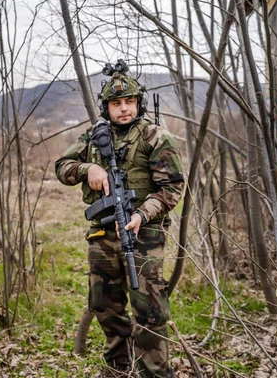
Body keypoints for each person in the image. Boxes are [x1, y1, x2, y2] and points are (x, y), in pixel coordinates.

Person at [55, 65, 184, 378]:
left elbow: (172, 188)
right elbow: (62, 167)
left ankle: (153, 371)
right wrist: (89, 170)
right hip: (102, 233)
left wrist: (143, 213)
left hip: (145, 234)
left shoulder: (156, 137)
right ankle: (118, 366)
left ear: (137, 103)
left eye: (129, 101)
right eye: (116, 103)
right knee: (104, 304)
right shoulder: (94, 137)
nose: (123, 108)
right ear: (107, 108)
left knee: (150, 309)